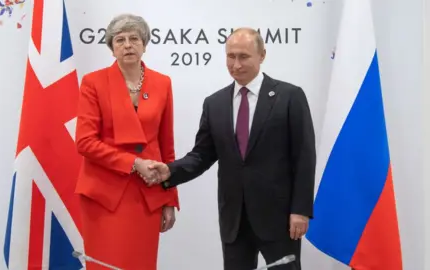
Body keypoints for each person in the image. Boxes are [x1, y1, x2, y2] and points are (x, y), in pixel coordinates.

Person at [147, 28, 316, 270]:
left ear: (262, 55)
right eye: (230, 56)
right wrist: (170, 172)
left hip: (279, 218)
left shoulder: (290, 97)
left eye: (243, 56)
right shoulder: (214, 103)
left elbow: (304, 158)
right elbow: (202, 155)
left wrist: (300, 210)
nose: (235, 64)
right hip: (234, 219)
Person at [74, 14, 179, 270]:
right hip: (103, 194)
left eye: (134, 38)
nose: (128, 45)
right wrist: (134, 163)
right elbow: (85, 142)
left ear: (144, 43)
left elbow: (167, 145)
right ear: (112, 48)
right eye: (119, 40)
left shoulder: (162, 83)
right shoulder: (93, 82)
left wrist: (169, 198)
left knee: (140, 264)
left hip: (147, 195)